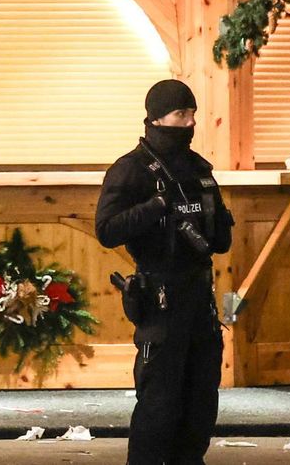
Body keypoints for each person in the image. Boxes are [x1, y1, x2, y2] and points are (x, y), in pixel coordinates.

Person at [95, 79, 234, 465]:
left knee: (201, 400)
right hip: (160, 299)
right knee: (159, 403)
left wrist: (217, 223)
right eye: (179, 114)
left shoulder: (197, 169)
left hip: (199, 300)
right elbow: (106, 230)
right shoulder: (131, 170)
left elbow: (220, 238)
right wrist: (155, 207)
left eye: (192, 115)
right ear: (156, 118)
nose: (188, 123)